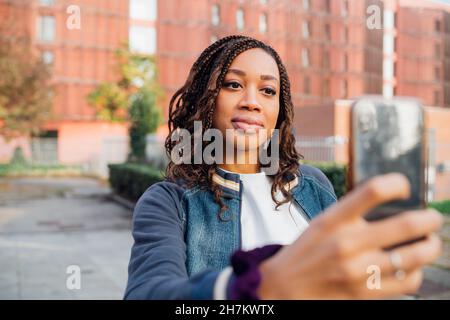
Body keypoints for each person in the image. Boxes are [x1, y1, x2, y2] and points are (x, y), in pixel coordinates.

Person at [124, 35, 443, 300]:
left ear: (280, 109)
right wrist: (258, 288)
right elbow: (148, 292)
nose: (252, 101)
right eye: (233, 85)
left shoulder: (312, 185)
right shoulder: (168, 202)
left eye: (268, 90)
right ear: (203, 99)